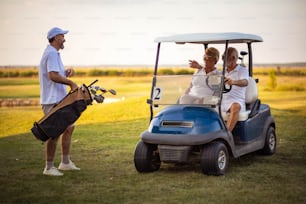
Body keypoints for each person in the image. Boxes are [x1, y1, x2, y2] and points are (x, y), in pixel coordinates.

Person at [39, 27, 80, 176]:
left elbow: (57, 74)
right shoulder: (51, 53)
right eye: (62, 36)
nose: (65, 39)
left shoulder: (54, 54)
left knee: (69, 127)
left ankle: (65, 162)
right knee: (54, 134)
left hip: (59, 99)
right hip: (52, 100)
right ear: (56, 38)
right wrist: (70, 83)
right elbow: (52, 76)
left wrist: (66, 72)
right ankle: (49, 167)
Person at [222, 47, 249, 132]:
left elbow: (245, 82)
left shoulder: (242, 70)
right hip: (222, 100)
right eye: (222, 57)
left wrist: (233, 82)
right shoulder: (222, 71)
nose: (222, 59)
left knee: (235, 107)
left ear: (233, 58)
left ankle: (226, 135)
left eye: (224, 57)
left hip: (236, 100)